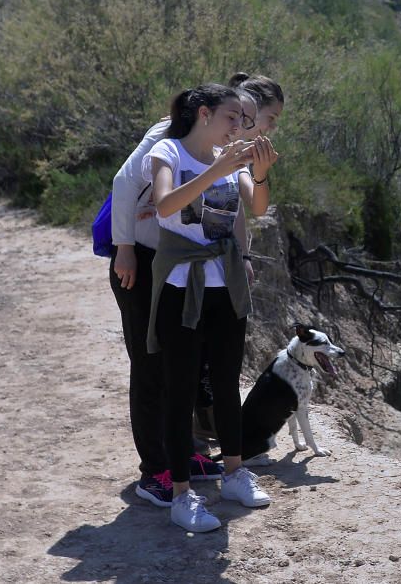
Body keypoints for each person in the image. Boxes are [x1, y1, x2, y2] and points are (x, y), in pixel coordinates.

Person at [109, 73, 283, 508]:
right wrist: (124, 248)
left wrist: (241, 253)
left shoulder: (228, 153)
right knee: (152, 368)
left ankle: (185, 457)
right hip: (148, 260)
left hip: (202, 269)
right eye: (255, 118)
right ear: (217, 113)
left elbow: (241, 208)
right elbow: (125, 186)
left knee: (193, 371)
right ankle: (158, 472)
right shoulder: (167, 138)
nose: (259, 129)